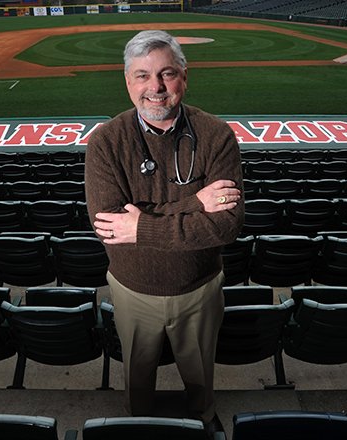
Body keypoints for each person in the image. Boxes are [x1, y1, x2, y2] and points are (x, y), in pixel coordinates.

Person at [84, 30, 244, 433]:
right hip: (133, 289)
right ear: (127, 82)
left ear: (184, 79)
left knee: (200, 372)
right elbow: (109, 224)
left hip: (199, 287)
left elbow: (226, 225)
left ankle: (204, 417)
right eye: (142, 76)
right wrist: (194, 204)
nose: (154, 87)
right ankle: (138, 423)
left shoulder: (217, 135)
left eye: (166, 74)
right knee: (137, 376)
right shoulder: (105, 142)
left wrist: (142, 225)